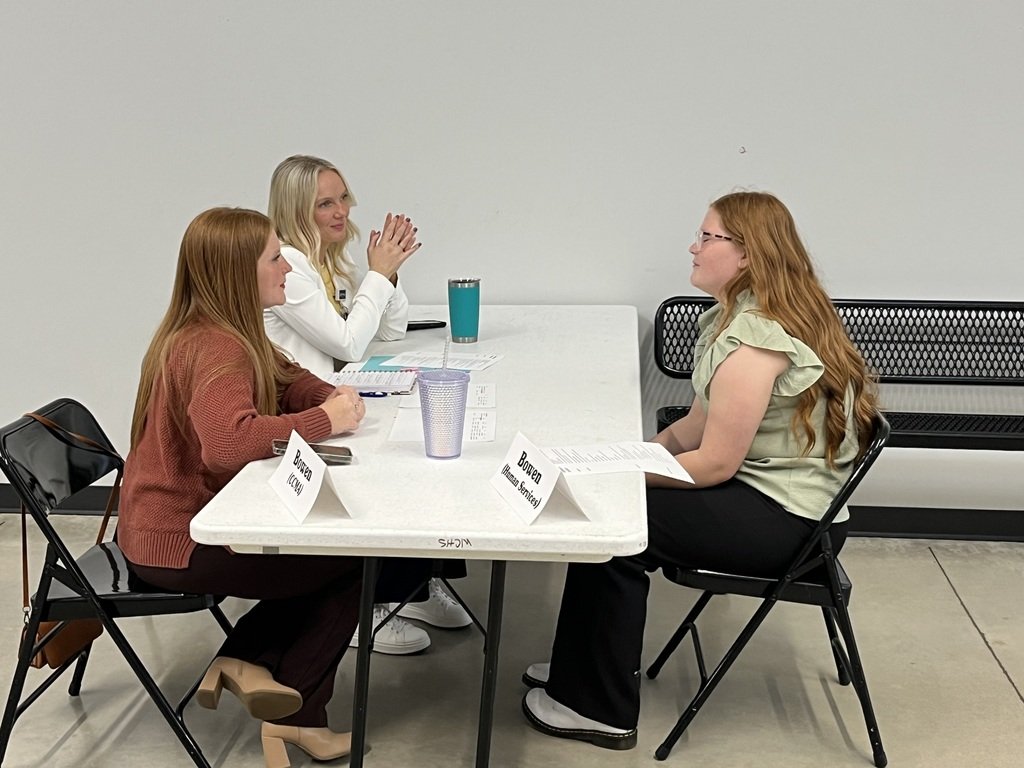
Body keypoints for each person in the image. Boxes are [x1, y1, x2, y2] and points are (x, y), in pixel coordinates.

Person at [521, 191, 880, 750]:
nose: (694, 247)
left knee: (618, 530)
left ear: (748, 253)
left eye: (708, 237)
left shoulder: (755, 342)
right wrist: (624, 460)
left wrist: (619, 481)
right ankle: (581, 668)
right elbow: (693, 427)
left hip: (790, 524)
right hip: (774, 499)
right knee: (615, 507)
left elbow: (713, 463)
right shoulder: (737, 315)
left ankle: (596, 707)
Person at [119, 207, 368, 767]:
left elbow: (285, 377)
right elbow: (228, 444)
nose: (288, 269)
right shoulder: (217, 347)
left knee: (325, 557)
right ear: (238, 272)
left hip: (162, 530)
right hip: (181, 544)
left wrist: (329, 397)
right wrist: (325, 420)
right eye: (276, 258)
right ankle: (293, 712)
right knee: (357, 560)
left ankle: (244, 661)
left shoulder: (220, 328)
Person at [265, 154, 471, 655]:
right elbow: (349, 343)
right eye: (325, 204)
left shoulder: (329, 260)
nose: (341, 211)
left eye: (343, 198)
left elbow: (389, 330)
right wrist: (376, 276)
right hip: (300, 414)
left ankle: (417, 587)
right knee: (403, 465)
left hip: (337, 399)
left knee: (428, 444)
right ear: (296, 211)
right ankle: (371, 607)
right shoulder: (289, 267)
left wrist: (388, 278)